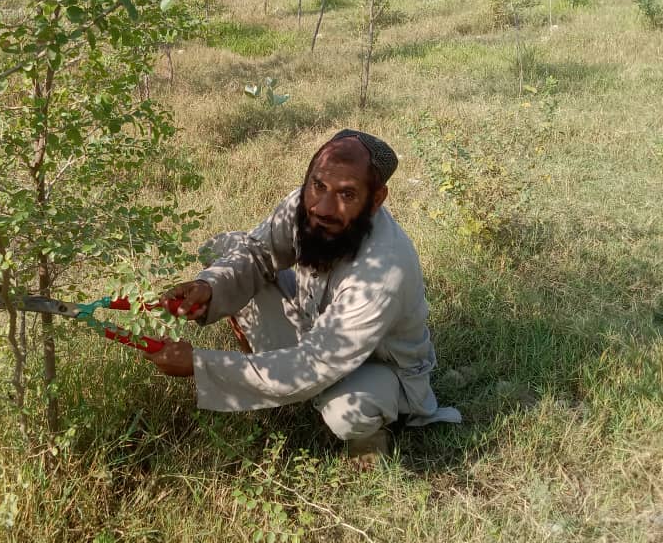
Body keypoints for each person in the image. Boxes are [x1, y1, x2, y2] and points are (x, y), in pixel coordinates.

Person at [147, 129, 461, 459]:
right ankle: (268, 372)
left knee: (347, 412)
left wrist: (200, 366)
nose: (323, 207)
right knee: (225, 250)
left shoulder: (383, 272)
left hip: (376, 366)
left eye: (347, 195)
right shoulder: (304, 205)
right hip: (317, 332)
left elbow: (313, 364)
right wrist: (209, 288)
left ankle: (371, 433)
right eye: (318, 185)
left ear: (376, 200)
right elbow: (258, 253)